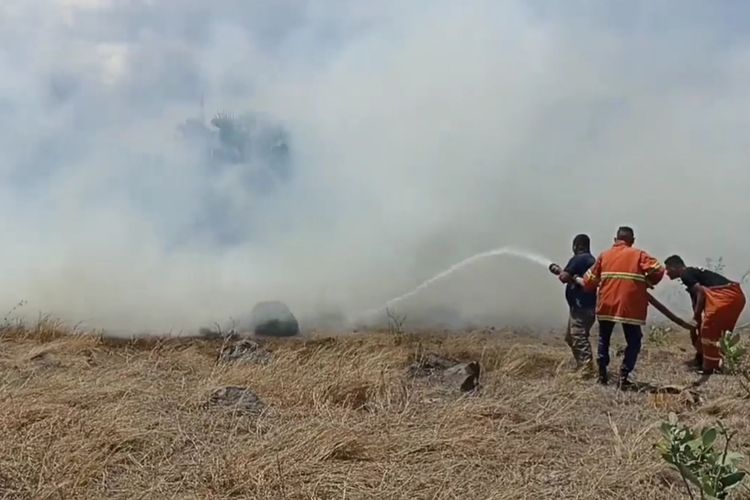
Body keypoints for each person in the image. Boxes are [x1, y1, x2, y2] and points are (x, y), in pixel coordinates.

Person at [575, 226, 665, 388]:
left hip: (607, 305)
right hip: (630, 307)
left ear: (615, 240)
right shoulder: (638, 254)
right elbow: (659, 269)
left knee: (604, 339)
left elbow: (589, 282)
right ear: (632, 241)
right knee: (634, 341)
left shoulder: (604, 255)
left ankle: (602, 374)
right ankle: (624, 375)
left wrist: (578, 280)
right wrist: (648, 282)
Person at [664, 255, 747, 374]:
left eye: (668, 269)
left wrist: (696, 319)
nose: (666, 273)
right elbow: (698, 298)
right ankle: (705, 360)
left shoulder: (685, 274)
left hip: (725, 296)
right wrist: (695, 323)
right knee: (719, 333)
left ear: (676, 267)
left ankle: (710, 367)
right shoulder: (692, 274)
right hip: (735, 296)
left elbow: (701, 293)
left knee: (708, 331)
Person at [548, 234, 597, 374]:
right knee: (571, 337)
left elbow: (564, 277)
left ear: (577, 246)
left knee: (578, 337)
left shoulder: (579, 259)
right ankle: (581, 365)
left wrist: (558, 271)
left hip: (581, 307)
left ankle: (586, 370)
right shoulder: (590, 259)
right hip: (584, 306)